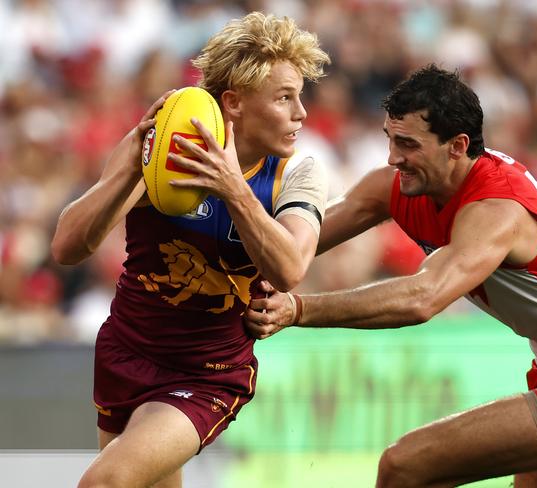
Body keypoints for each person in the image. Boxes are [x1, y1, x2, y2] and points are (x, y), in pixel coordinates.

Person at [245, 64, 537, 488]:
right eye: (389, 139)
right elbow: (294, 247)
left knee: (404, 468)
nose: (392, 158)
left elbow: (422, 298)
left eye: (407, 144)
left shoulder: (496, 211)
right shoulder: (404, 185)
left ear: (457, 146)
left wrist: (298, 310)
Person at [51, 12, 330, 488]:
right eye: (285, 98)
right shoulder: (162, 151)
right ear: (234, 103)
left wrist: (232, 190)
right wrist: (131, 167)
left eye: (299, 97)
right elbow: (66, 248)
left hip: (208, 372)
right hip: (126, 350)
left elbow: (289, 268)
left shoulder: (297, 173)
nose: (301, 113)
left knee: (106, 482)